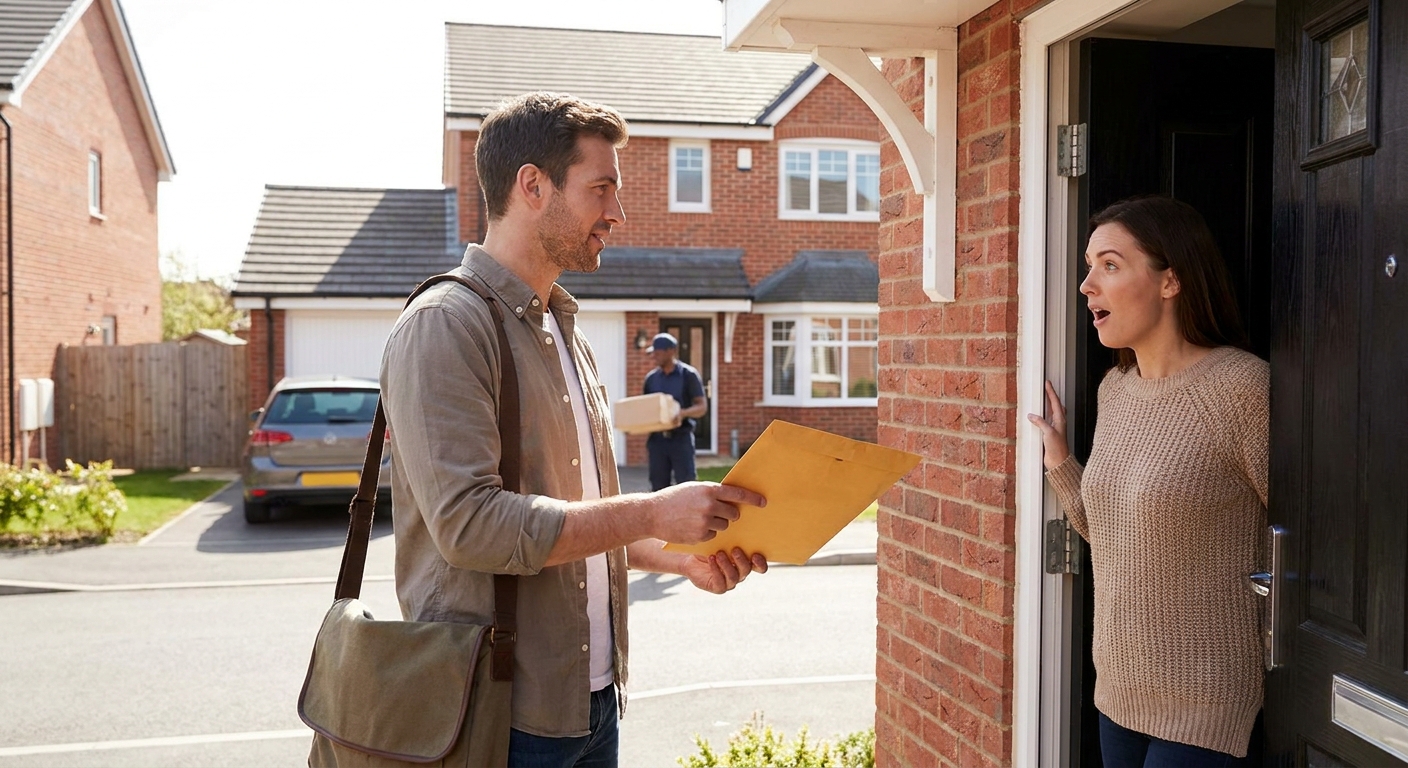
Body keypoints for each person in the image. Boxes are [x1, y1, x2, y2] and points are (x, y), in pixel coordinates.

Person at [380, 92, 769, 768]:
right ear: (532, 185)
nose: (617, 213)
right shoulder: (447, 324)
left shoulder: (565, 330)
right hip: (498, 715)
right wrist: (654, 509)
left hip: (590, 705)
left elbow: (580, 521)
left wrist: (677, 558)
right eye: (602, 188)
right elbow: (471, 526)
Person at [1026, 196, 1268, 767]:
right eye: (1089, 267)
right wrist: (1061, 461)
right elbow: (1108, 532)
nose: (1087, 285)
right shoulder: (1117, 388)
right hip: (1117, 689)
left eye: (1109, 265)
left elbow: (1309, 538)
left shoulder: (1242, 388)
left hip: (1205, 699)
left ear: (1171, 281)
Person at [641, 332, 706, 491]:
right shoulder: (651, 379)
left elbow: (701, 407)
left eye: (658, 352)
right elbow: (647, 408)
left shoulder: (688, 375)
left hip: (681, 439)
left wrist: (681, 413)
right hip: (657, 441)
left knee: (686, 486)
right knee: (658, 488)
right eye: (653, 353)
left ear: (671, 351)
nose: (654, 356)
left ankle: (689, 516)